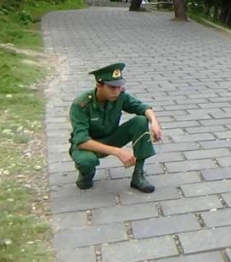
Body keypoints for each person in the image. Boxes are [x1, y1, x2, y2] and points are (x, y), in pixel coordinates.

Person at [68, 62, 162, 192]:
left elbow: (143, 107)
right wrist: (118, 152)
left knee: (140, 121)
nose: (117, 91)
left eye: (119, 87)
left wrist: (154, 122)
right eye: (112, 87)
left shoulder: (120, 96)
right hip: (89, 145)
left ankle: (138, 175)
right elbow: (82, 140)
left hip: (111, 138)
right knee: (86, 161)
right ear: (99, 85)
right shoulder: (81, 104)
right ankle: (86, 174)